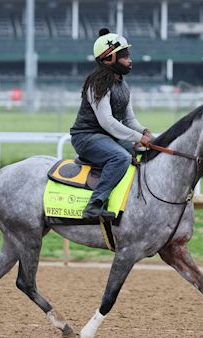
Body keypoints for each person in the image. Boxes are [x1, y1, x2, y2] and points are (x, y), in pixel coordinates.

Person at [70, 28, 153, 220]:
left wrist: (145, 132)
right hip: (86, 137)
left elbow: (129, 120)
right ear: (109, 60)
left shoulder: (123, 85)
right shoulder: (96, 83)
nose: (129, 59)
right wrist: (138, 138)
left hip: (107, 137)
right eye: (124, 56)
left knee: (144, 152)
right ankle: (94, 205)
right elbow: (107, 122)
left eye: (128, 55)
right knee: (121, 158)